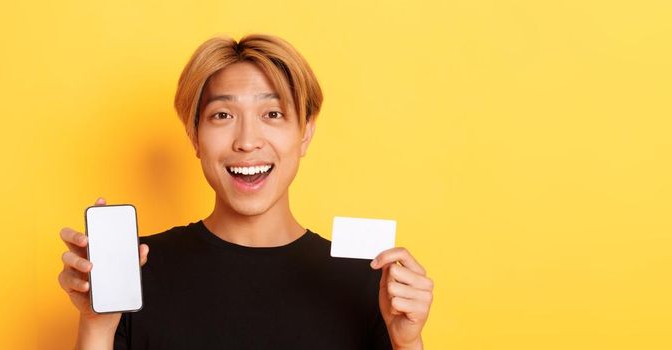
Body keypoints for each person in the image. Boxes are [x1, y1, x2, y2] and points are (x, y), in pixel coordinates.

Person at [58, 34, 434, 350]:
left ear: (305, 133)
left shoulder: (366, 280)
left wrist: (406, 343)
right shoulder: (134, 271)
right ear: (194, 136)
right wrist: (97, 325)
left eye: (272, 114)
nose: (248, 141)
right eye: (223, 115)